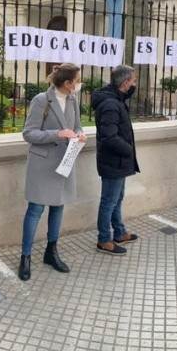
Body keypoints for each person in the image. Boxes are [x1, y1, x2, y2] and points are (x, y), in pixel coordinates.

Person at [18, 63, 87, 280]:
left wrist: (79, 134)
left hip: (64, 162)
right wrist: (57, 134)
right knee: (35, 209)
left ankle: (51, 251)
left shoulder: (73, 99)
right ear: (67, 83)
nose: (79, 84)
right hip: (42, 164)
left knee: (58, 207)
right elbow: (28, 134)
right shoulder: (41, 100)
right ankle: (25, 257)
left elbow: (77, 126)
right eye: (77, 80)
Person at [91, 65, 140, 255]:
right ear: (125, 82)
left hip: (119, 161)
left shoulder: (116, 99)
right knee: (109, 201)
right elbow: (109, 137)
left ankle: (119, 232)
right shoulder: (111, 104)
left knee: (117, 199)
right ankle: (104, 239)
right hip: (114, 161)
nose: (134, 85)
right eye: (133, 81)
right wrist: (129, 150)